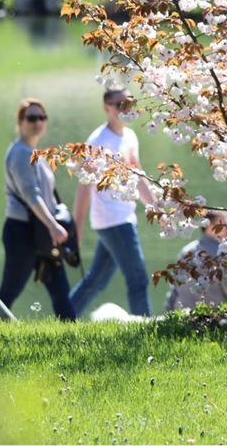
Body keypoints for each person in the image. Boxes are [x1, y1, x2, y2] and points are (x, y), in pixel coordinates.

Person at [70, 88, 155, 317]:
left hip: (124, 217)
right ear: (106, 108)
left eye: (129, 103)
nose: (125, 109)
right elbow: (83, 188)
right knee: (137, 279)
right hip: (112, 220)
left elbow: (138, 176)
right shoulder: (98, 142)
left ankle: (63, 317)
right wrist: (76, 229)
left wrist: (155, 207)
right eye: (119, 105)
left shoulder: (130, 136)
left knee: (96, 281)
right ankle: (147, 331)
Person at [0, 98, 76, 320]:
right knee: (10, 291)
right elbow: (31, 195)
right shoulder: (20, 153)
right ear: (20, 122)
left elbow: (47, 195)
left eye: (42, 117)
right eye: (32, 118)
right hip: (23, 232)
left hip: (42, 232)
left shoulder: (35, 154)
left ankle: (74, 339)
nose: (38, 122)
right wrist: (54, 227)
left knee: (61, 292)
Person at [164, 209, 227, 312]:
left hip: (185, 313)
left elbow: (175, 288)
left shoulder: (185, 251)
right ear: (209, 226)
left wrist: (170, 309)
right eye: (224, 224)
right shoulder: (219, 253)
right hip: (212, 315)